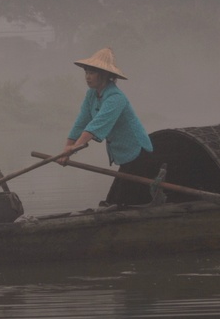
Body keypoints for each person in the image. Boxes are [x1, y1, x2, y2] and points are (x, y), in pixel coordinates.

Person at [58, 47, 154, 206]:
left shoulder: (115, 98)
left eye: (92, 73)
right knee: (113, 200)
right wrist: (66, 150)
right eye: (86, 72)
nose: (87, 77)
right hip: (125, 155)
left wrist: (73, 149)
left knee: (122, 201)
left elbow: (95, 126)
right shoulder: (91, 95)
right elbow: (80, 123)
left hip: (138, 153)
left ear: (103, 75)